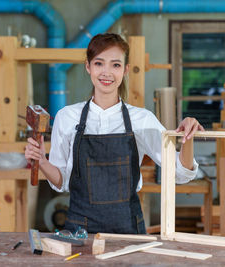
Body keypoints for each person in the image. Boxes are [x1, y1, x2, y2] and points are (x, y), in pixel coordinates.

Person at [25, 33, 204, 234]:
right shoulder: (67, 117)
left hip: (128, 231)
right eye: (99, 63)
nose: (106, 72)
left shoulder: (142, 120)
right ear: (88, 67)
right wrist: (42, 161)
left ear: (125, 70)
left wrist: (188, 137)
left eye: (116, 65)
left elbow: (180, 173)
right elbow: (62, 181)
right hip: (80, 230)